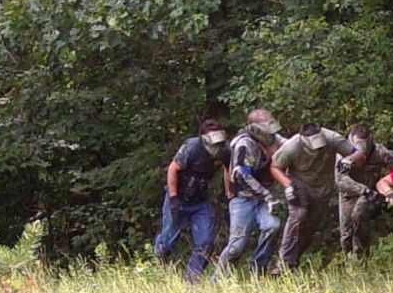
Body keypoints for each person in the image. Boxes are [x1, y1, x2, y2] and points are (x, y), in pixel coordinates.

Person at [270, 122, 363, 272]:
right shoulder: (292, 147)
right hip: (299, 185)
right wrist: (287, 185)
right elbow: (275, 166)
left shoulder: (332, 138)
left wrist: (349, 159)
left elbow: (358, 153)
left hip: (322, 189)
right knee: (298, 217)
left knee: (310, 228)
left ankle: (292, 263)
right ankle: (283, 264)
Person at [154, 118, 229, 281]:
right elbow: (173, 169)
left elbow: (228, 169)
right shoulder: (192, 147)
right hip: (179, 198)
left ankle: (191, 278)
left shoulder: (225, 150)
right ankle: (157, 271)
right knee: (166, 242)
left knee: (206, 242)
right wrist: (173, 198)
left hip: (200, 202)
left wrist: (230, 196)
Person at [217, 108, 285, 275]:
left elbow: (290, 145)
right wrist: (267, 195)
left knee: (273, 227)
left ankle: (257, 271)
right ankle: (219, 280)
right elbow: (241, 176)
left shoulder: (273, 138)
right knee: (236, 246)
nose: (271, 134)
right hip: (243, 198)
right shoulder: (244, 144)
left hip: (265, 198)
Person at [334, 123, 393, 260]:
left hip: (370, 193)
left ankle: (362, 258)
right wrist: (362, 190)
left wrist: (389, 188)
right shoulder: (342, 155)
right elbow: (340, 180)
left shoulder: (380, 152)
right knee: (346, 235)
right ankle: (350, 263)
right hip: (349, 194)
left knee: (358, 215)